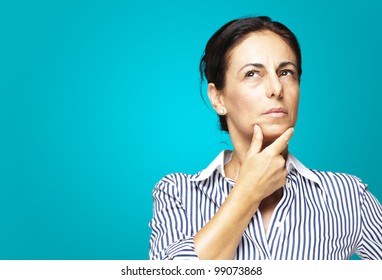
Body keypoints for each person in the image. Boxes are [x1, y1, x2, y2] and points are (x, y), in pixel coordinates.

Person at [148, 16, 382, 260]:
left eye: (286, 72)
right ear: (218, 98)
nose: (277, 88)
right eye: (252, 74)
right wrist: (247, 192)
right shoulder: (179, 193)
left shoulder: (347, 196)